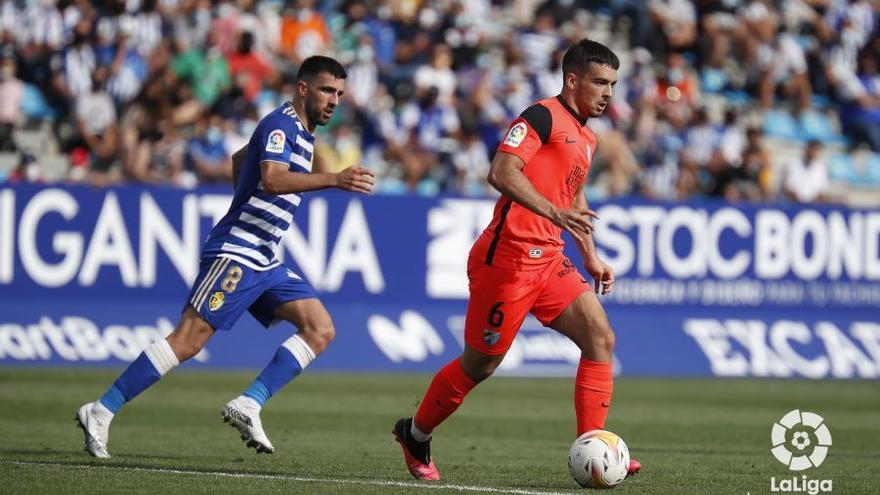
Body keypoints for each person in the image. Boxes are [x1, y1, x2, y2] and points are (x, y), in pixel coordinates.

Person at [75, 56, 375, 458]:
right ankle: (101, 409)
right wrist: (334, 179)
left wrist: (244, 196)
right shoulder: (282, 123)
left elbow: (241, 159)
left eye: (339, 93)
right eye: (326, 90)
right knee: (188, 341)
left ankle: (250, 402)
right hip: (237, 251)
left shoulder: (302, 133)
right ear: (302, 88)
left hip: (265, 258)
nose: (334, 100)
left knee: (320, 328)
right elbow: (271, 178)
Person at [391, 39, 641, 480]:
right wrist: (553, 211)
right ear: (572, 80)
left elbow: (573, 198)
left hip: (550, 260)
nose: (607, 93)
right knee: (481, 364)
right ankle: (416, 433)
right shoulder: (541, 116)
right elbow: (501, 172)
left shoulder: (586, 136)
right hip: (507, 259)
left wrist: (591, 256)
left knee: (600, 338)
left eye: (613, 85)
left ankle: (595, 449)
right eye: (600, 82)